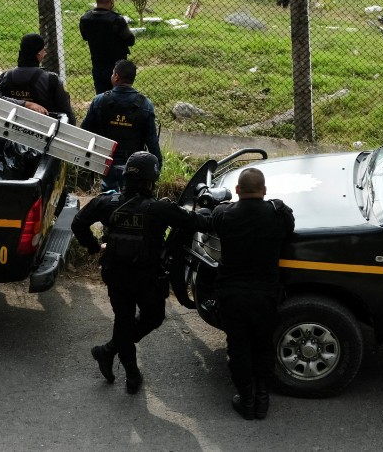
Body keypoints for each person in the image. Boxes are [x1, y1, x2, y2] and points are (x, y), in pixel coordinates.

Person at [74, 152, 201, 396]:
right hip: (147, 280)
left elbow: (78, 223)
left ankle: (110, 352)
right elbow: (195, 221)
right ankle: (131, 375)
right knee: (151, 318)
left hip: (116, 276)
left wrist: (93, 247)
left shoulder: (106, 202)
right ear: (151, 181)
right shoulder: (159, 208)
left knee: (124, 322)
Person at [199, 166, 295, 421]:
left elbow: (211, 218)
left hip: (233, 296)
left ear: (238, 189)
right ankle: (262, 399)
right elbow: (290, 223)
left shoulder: (224, 214)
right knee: (263, 345)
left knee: (238, 347)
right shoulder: (277, 214)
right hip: (266, 295)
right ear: (264, 190)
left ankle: (246, 399)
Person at [80, 60, 161, 189]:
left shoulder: (99, 101)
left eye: (113, 73)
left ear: (116, 77)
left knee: (108, 193)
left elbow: (84, 132)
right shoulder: (145, 105)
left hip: (104, 163)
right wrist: (157, 167)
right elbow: (152, 142)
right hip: (134, 166)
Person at [0, 33, 73, 119]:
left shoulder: (4, 77)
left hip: (10, 122)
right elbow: (67, 113)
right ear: (38, 53)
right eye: (43, 50)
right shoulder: (52, 79)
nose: (45, 53)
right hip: (45, 125)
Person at [78, 0, 136, 97]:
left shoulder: (85, 18)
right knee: (119, 97)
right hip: (117, 69)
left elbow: (85, 37)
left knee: (102, 97)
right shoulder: (117, 20)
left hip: (97, 64)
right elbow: (130, 40)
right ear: (112, 0)